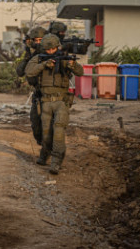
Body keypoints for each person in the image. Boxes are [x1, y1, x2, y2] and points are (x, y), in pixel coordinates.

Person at [25, 33, 83, 174]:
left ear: (57, 47)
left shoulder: (64, 58)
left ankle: (56, 162)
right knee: (46, 134)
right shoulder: (38, 58)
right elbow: (29, 71)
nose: (50, 52)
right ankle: (45, 153)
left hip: (61, 102)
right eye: (47, 50)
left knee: (58, 131)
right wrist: (44, 64)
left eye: (53, 49)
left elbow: (80, 72)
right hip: (45, 102)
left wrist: (72, 65)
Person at [16, 25, 47, 145]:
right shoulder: (32, 55)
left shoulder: (54, 53)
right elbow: (20, 72)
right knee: (36, 125)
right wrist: (28, 55)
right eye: (36, 41)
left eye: (41, 40)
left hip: (53, 95)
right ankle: (42, 143)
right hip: (39, 95)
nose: (38, 43)